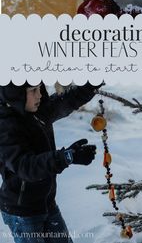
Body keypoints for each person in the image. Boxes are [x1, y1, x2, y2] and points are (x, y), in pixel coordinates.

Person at [0, 82, 100, 243]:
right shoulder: (5, 124)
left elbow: (66, 101)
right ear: (15, 94)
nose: (39, 94)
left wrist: (91, 85)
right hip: (22, 211)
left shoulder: (38, 112)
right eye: (33, 90)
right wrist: (66, 157)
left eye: (40, 88)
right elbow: (26, 166)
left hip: (46, 202)